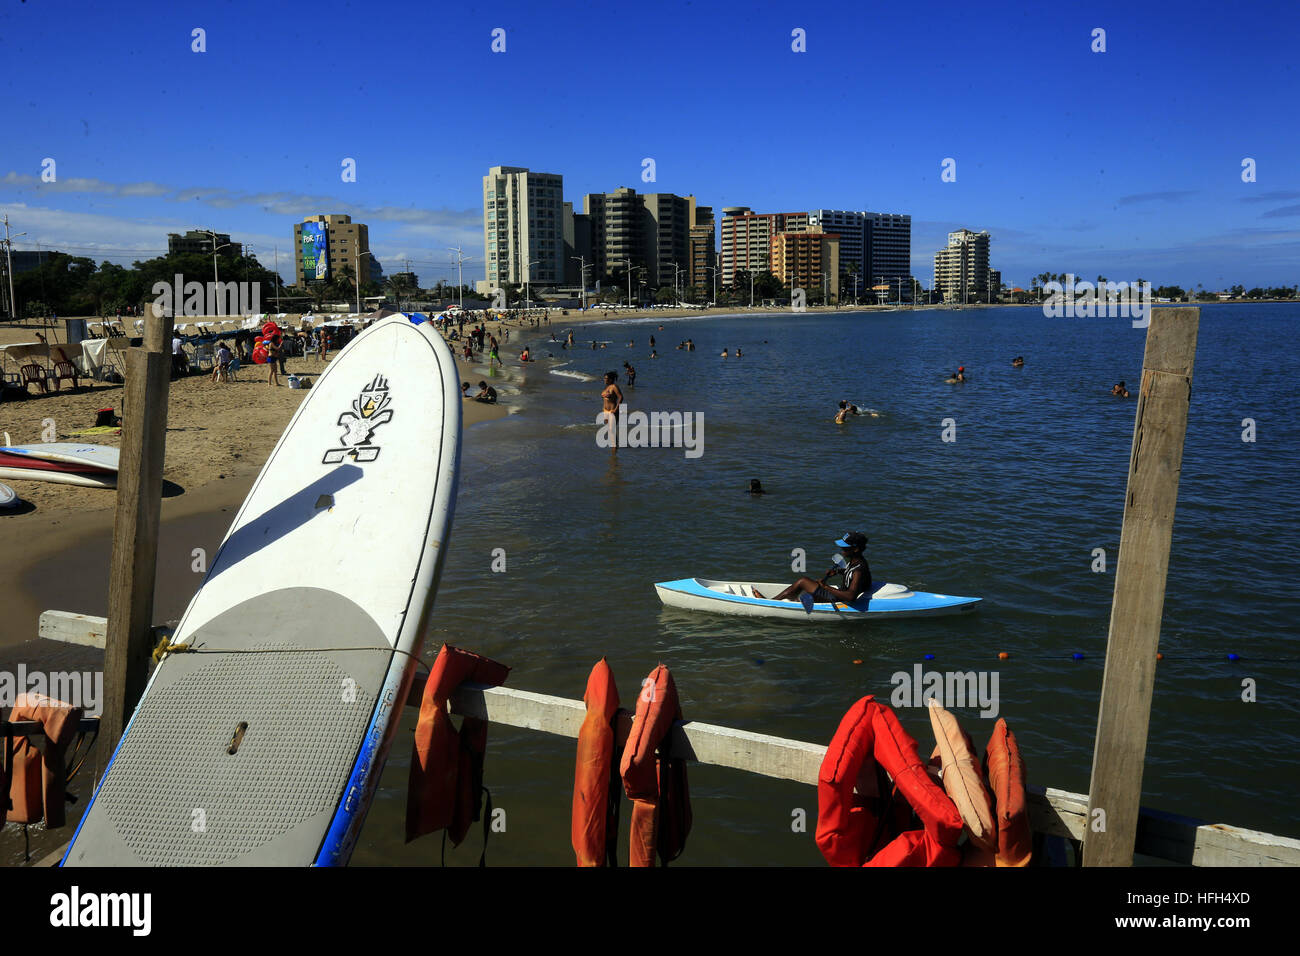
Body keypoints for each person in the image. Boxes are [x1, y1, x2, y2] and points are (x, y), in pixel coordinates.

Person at [755, 532, 873, 612]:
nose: (841, 550)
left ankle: (770, 603)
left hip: (839, 598)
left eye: (845, 547)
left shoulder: (859, 569)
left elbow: (851, 596)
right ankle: (785, 603)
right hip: (837, 594)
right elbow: (850, 574)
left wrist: (826, 587)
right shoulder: (855, 561)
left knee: (803, 581)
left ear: (855, 549)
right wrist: (838, 572)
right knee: (806, 596)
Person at [601, 371, 623, 447]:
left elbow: (620, 397)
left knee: (612, 431)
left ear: (611, 379)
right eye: (604, 378)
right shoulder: (607, 387)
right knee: (610, 430)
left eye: (606, 378)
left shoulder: (614, 387)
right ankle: (614, 448)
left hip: (612, 411)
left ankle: (614, 451)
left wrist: (616, 409)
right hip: (606, 411)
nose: (604, 380)